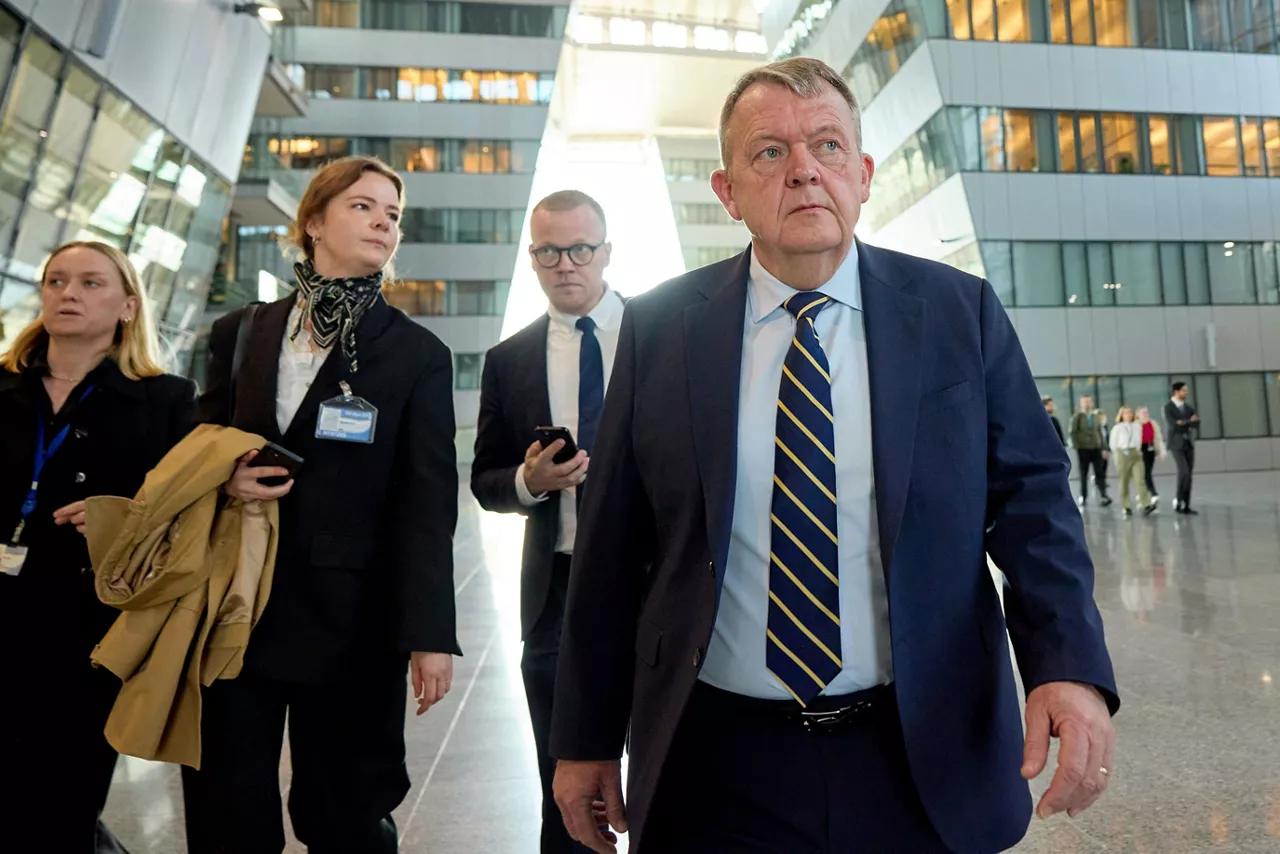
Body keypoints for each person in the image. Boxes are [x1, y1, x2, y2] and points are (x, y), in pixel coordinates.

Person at [550, 58, 1118, 854]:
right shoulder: (661, 330)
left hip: (920, 749)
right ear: (728, 191)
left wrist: (1069, 667)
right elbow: (611, 547)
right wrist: (584, 736)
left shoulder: (959, 312)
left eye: (827, 146)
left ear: (863, 175)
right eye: (770, 152)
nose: (805, 171)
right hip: (715, 759)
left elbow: (1034, 506)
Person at [183, 156, 461, 853]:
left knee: (346, 813)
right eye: (363, 207)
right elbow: (200, 444)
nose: (382, 223)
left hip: (354, 622)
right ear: (313, 222)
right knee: (228, 804)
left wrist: (428, 632)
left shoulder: (417, 354)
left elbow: (427, 503)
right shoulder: (241, 333)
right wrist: (226, 477)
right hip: (239, 602)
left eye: (392, 215)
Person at [0, 241, 196, 852]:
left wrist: (125, 517)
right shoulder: (3, 387)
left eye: (89, 283)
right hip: (1, 611)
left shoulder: (166, 400)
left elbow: (182, 513)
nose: (67, 294)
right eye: (56, 281)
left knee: (66, 794)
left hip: (90, 627)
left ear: (128, 306)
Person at [471, 189, 620, 854]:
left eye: (580, 249)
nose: (566, 264)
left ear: (605, 253)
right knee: (562, 787)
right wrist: (529, 482)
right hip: (556, 591)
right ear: (532, 258)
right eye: (548, 251)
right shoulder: (509, 360)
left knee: (677, 774)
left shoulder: (664, 336)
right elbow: (485, 480)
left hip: (656, 584)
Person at [1109, 406, 1156, 518]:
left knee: (1140, 479)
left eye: (1130, 413)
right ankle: (1126, 505)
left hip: (1135, 452)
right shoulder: (1118, 428)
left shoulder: (1137, 426)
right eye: (1126, 413)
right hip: (1123, 453)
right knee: (1124, 480)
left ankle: (1146, 504)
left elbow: (1138, 440)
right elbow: (1113, 444)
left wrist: (1137, 450)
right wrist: (1120, 453)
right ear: (1121, 415)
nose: (1128, 415)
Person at [1069, 396, 1112, 507]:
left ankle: (1103, 495)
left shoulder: (1096, 417)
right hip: (1083, 449)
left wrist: (1104, 448)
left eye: (1089, 401)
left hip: (1096, 448)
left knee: (1099, 472)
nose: (1087, 404)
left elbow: (1100, 433)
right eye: (1085, 402)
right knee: (1083, 473)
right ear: (1081, 403)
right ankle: (1083, 496)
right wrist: (1077, 445)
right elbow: (1073, 432)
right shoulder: (1077, 417)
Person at [1164, 382, 1199, 515]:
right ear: (1176, 392)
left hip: (1188, 443)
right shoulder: (1168, 407)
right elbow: (1173, 425)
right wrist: (1188, 422)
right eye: (1184, 390)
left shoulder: (1188, 407)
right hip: (1176, 444)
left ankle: (1186, 504)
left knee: (1189, 474)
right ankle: (1178, 499)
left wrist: (1184, 422)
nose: (1186, 393)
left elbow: (1196, 423)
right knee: (1183, 471)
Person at [1136, 406, 1166, 505]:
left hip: (1151, 449)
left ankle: (1142, 492)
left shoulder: (1153, 424)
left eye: (1146, 412)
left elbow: (1158, 438)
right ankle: (1153, 493)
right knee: (1146, 473)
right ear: (1138, 415)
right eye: (1142, 413)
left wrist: (1162, 451)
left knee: (1147, 472)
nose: (1145, 414)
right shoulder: (1136, 425)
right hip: (1141, 450)